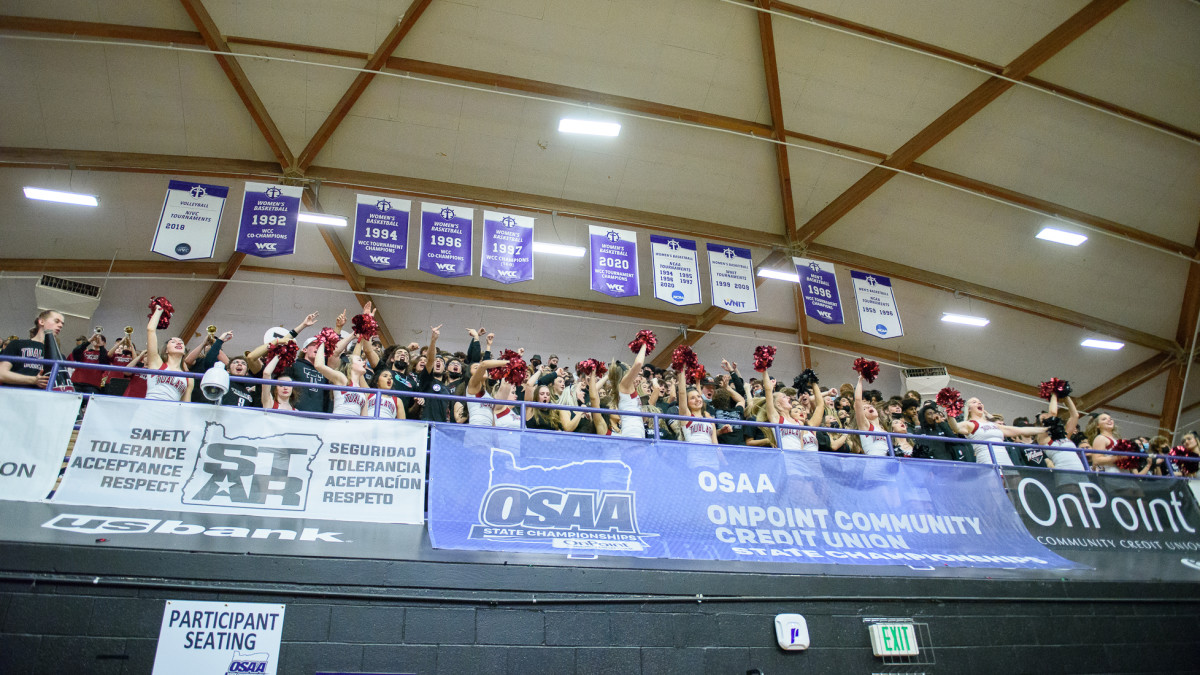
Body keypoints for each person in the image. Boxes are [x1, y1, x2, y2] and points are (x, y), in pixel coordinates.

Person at [942, 396, 1045, 465]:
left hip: (1006, 462)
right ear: (968, 409)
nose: (979, 403)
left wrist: (1045, 429)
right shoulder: (970, 424)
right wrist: (949, 411)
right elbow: (955, 427)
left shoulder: (995, 424)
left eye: (980, 402)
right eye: (974, 402)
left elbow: (1021, 430)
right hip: (988, 462)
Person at [0, 309, 63, 388]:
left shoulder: (59, 355)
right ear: (41, 322)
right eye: (57, 321)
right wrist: (34, 380)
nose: (60, 325)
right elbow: (1, 374)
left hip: (41, 397)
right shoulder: (17, 344)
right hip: (14, 394)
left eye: (62, 323)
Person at [143, 305, 193, 402]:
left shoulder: (189, 379)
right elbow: (150, 330)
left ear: (184, 352)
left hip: (170, 415)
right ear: (166, 350)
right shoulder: (157, 364)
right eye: (173, 342)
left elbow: (186, 406)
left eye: (181, 342)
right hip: (148, 411)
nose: (178, 343)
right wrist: (158, 310)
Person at [603, 341, 650, 439]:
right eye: (629, 369)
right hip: (632, 432)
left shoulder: (627, 388)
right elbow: (638, 363)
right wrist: (645, 343)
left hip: (637, 430)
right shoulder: (624, 384)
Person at [313, 344, 370, 417]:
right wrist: (322, 343)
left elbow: (364, 418)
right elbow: (319, 365)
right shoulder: (342, 379)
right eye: (359, 360)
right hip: (338, 423)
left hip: (354, 426)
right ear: (350, 364)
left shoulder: (363, 393)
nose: (364, 362)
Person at [853, 373, 891, 456]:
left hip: (888, 463)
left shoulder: (884, 429)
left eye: (870, 406)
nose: (868, 407)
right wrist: (860, 380)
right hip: (873, 462)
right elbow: (858, 400)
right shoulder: (865, 426)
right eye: (864, 409)